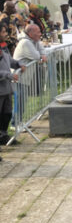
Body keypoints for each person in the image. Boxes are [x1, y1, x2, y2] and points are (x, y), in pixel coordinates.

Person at [0, 23, 25, 153]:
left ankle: (3, 135)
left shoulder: (3, 47)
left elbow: (9, 60)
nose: (5, 34)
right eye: (3, 32)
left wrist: (19, 64)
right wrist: (8, 75)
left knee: (7, 114)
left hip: (6, 89)